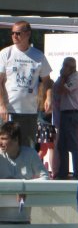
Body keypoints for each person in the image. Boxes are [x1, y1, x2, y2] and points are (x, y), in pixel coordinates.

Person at [0, 20, 52, 148]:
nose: (14, 36)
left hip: (30, 112)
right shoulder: (5, 53)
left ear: (28, 34)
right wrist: (1, 106)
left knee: (27, 150)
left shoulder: (38, 55)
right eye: (12, 33)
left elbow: (48, 81)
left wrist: (49, 98)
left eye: (17, 33)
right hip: (9, 110)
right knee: (7, 148)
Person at [53, 57, 78, 179]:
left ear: (71, 67)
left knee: (73, 145)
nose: (63, 68)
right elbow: (56, 88)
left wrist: (62, 77)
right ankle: (63, 172)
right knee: (62, 145)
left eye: (65, 66)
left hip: (72, 114)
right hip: (65, 113)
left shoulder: (76, 78)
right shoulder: (68, 78)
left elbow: (62, 90)